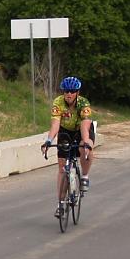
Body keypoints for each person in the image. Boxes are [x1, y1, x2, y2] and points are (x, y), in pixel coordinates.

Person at [41, 77, 95, 212]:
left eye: (72, 91)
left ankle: (84, 176)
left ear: (77, 92)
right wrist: (48, 141)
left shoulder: (83, 103)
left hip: (81, 130)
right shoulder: (58, 102)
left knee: (86, 145)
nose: (69, 94)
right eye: (66, 91)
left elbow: (85, 125)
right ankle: (60, 203)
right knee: (62, 168)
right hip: (65, 131)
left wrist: (86, 142)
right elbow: (55, 124)